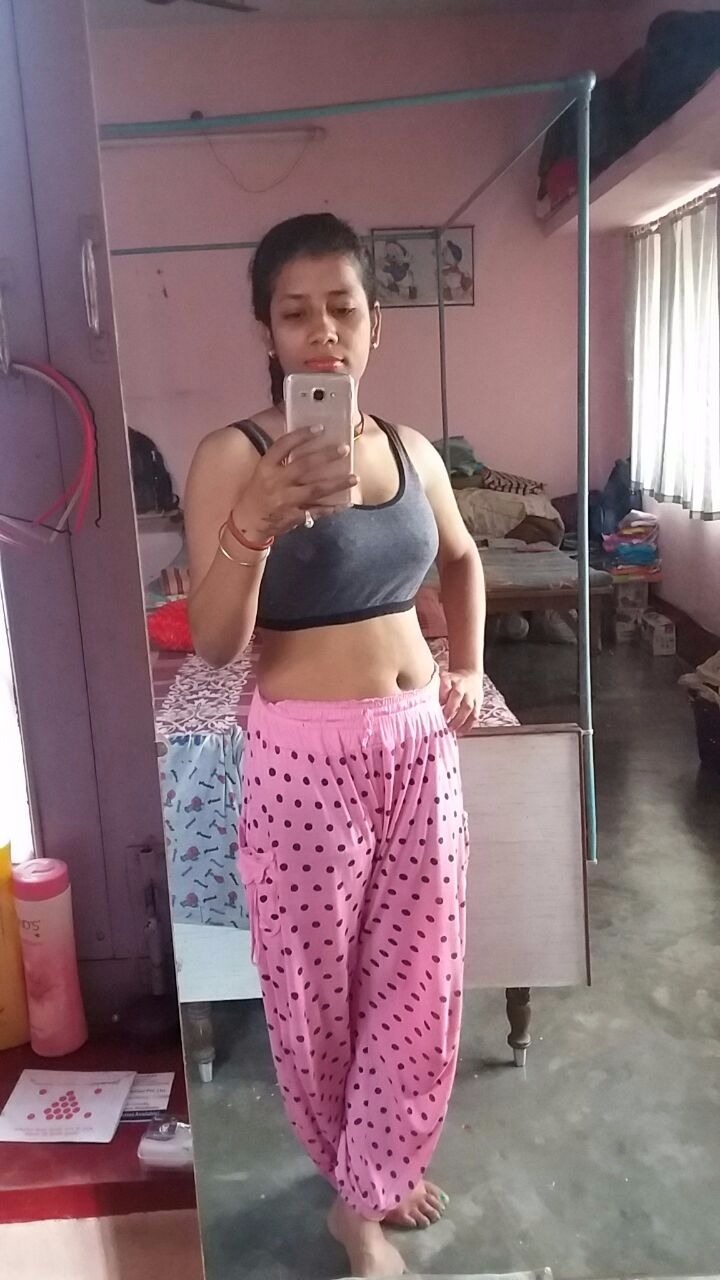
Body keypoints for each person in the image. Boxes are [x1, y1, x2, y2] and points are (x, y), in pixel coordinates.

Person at [184, 212, 485, 1279]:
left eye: (343, 308)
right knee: (315, 991)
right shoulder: (233, 455)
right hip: (305, 760)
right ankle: (354, 1196)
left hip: (419, 746)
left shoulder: (410, 450)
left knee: (422, 977)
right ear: (266, 331)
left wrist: (464, 667)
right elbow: (215, 641)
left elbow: (462, 559)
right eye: (296, 313)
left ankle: (374, 1178)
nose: (323, 332)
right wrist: (255, 522)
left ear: (375, 323)